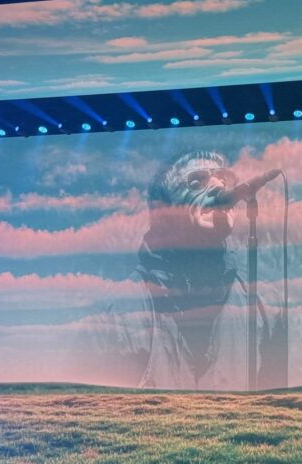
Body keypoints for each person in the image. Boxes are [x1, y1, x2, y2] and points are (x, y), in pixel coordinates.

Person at [94, 149, 286, 391]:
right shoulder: (115, 315)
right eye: (197, 182)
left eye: (224, 181)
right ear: (160, 209)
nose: (219, 188)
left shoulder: (265, 305)